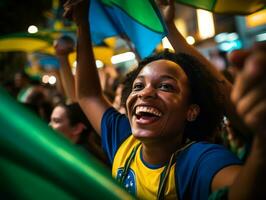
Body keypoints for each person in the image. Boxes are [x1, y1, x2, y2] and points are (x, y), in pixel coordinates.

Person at [64, 0, 266, 199]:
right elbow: (88, 95)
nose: (145, 93)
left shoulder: (198, 161)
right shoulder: (124, 139)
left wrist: (262, 143)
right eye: (138, 86)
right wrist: (82, 24)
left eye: (165, 86)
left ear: (191, 111)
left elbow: (243, 192)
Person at [50, 102, 110, 166]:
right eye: (51, 121)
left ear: (77, 128)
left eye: (56, 121)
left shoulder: (80, 158)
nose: (50, 125)